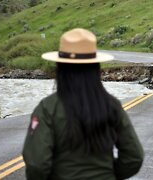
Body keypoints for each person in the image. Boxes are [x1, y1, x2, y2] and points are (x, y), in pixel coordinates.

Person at [22, 28, 144, 180]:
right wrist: (109, 175)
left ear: (60, 68)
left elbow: (37, 164)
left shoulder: (48, 108)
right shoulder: (111, 105)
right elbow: (135, 157)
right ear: (96, 68)